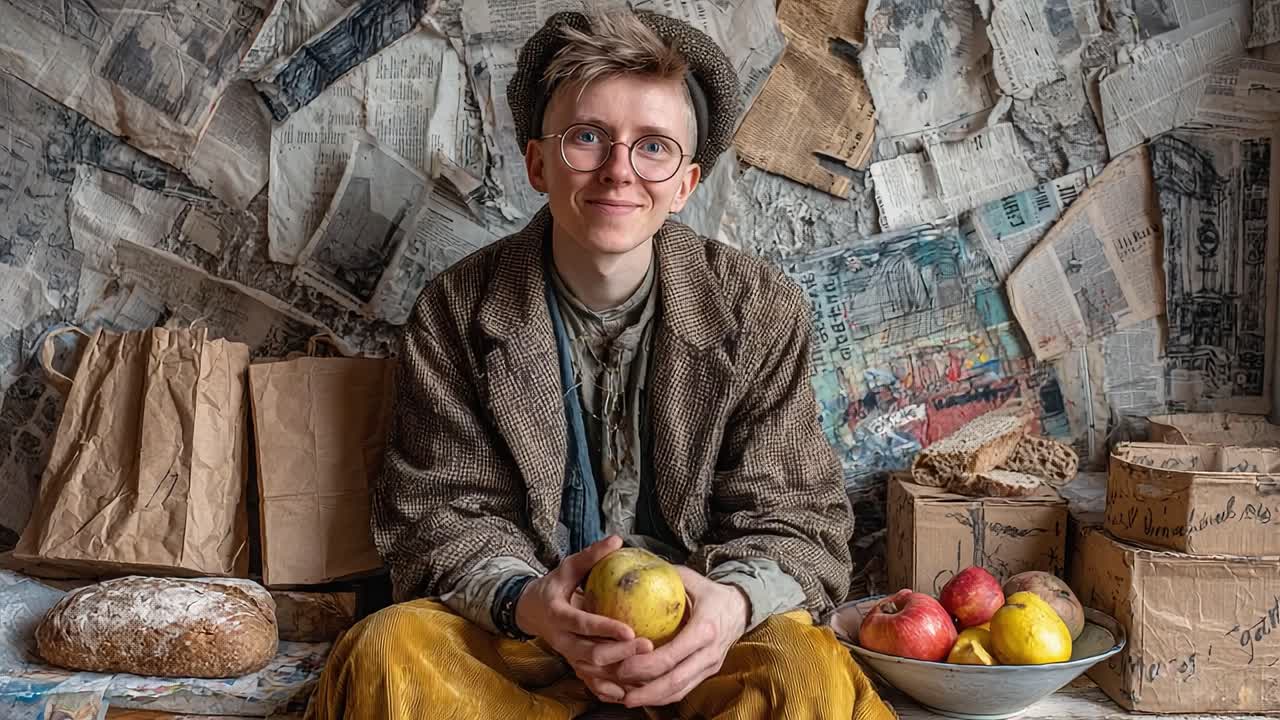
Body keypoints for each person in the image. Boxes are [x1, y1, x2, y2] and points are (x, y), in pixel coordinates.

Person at [304, 8, 894, 720]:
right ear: (538, 163)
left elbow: (796, 514)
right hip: (523, 640)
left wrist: (729, 609)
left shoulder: (758, 309)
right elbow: (443, 515)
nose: (619, 172)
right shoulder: (457, 309)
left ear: (686, 183)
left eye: (653, 148)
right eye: (588, 138)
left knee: (809, 674)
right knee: (386, 652)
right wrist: (532, 604)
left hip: (704, 648)